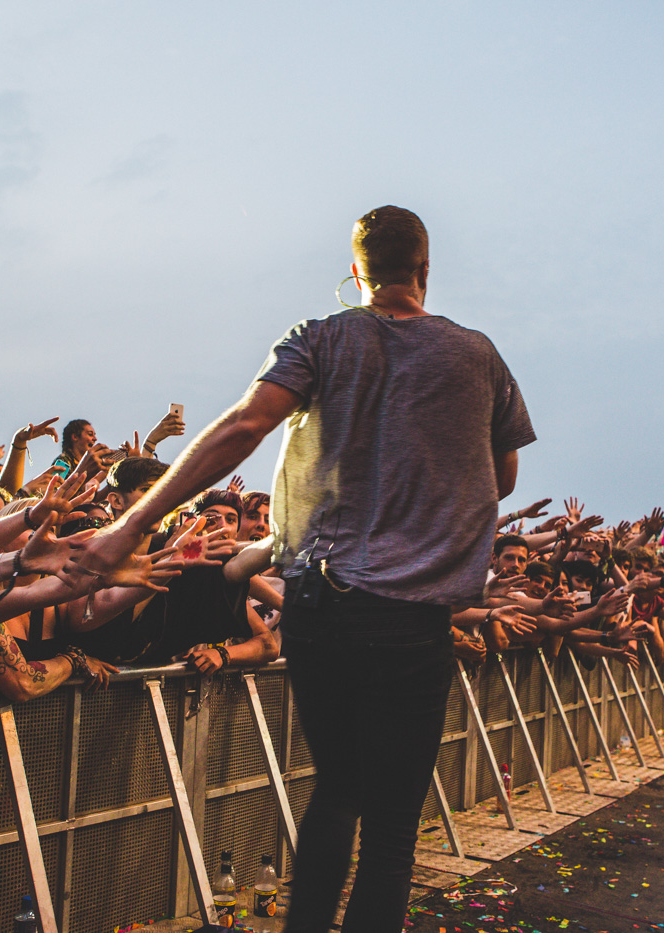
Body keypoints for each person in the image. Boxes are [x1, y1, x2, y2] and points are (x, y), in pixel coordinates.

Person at [78, 205, 535, 933]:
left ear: (356, 273)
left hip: (325, 604)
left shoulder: (319, 337)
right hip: (414, 615)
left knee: (337, 790)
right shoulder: (478, 355)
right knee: (392, 826)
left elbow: (244, 425)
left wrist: (130, 524)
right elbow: (502, 477)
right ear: (424, 269)